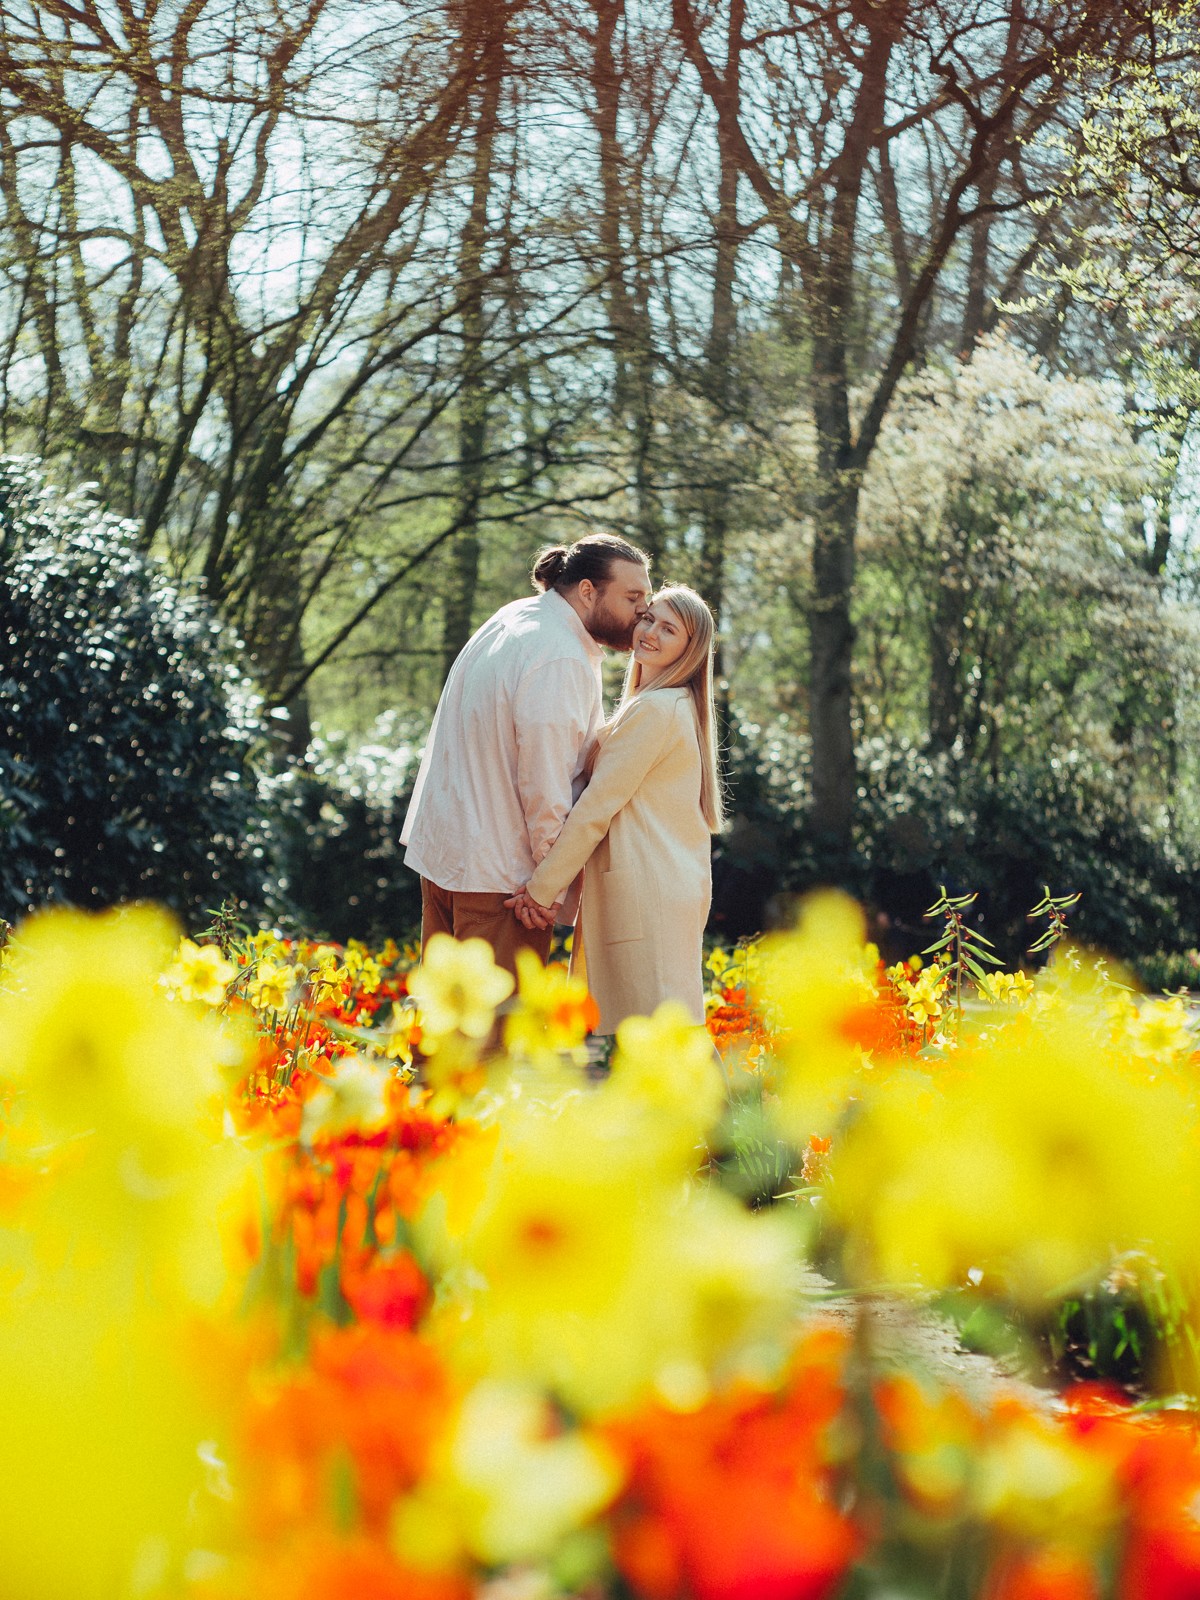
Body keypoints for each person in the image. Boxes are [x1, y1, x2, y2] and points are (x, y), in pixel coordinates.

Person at [400, 533, 652, 973]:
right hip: (504, 883)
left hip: (447, 859)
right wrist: (548, 887)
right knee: (492, 1038)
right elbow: (545, 782)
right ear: (588, 591)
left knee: (446, 1033)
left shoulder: (515, 617)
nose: (642, 612)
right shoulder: (560, 654)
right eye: (632, 596)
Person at [507, 585, 724, 1036]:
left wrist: (541, 890)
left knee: (663, 1035)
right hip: (661, 888)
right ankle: (721, 1110)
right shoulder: (665, 706)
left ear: (690, 650)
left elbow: (595, 809)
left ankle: (722, 1110)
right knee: (664, 1032)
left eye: (669, 629)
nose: (650, 633)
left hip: (648, 894)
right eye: (649, 619)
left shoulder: (657, 710)